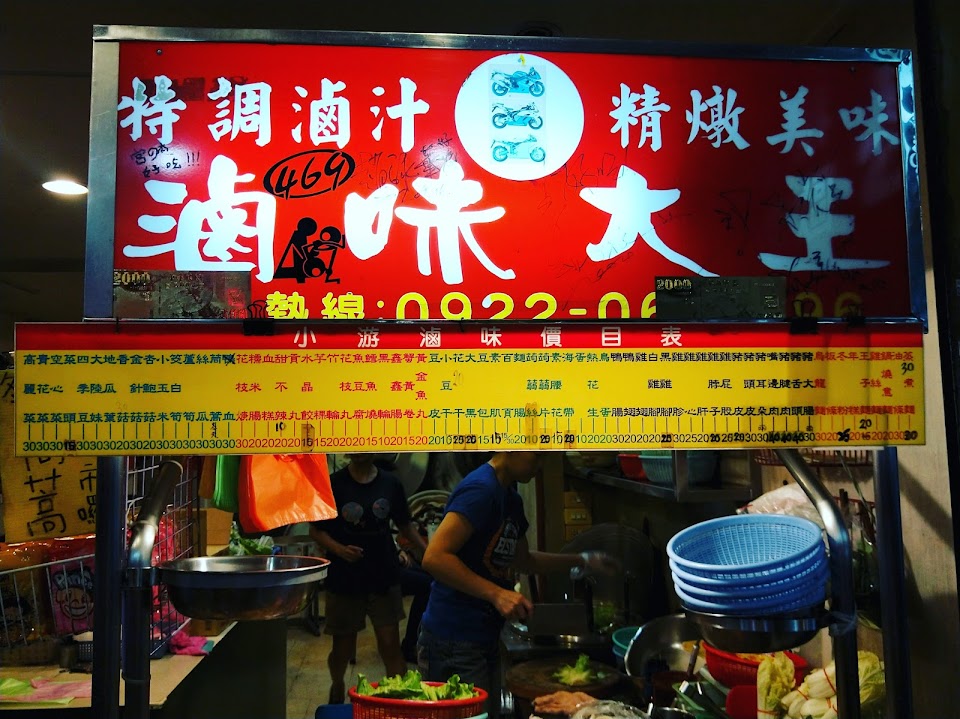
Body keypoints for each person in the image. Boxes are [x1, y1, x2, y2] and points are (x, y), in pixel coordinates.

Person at [417, 451, 618, 716]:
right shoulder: (480, 490)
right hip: (453, 639)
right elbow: (435, 557)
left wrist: (582, 560)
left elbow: (524, 560)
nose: (540, 465)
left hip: (483, 636)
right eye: (537, 456)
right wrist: (497, 594)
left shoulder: (510, 498)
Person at [310, 454, 427, 704]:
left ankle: (399, 702)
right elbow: (317, 531)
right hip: (345, 578)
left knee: (389, 644)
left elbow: (405, 526)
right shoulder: (333, 484)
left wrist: (429, 553)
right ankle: (337, 684)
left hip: (383, 574)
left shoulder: (390, 483)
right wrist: (341, 550)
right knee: (342, 648)